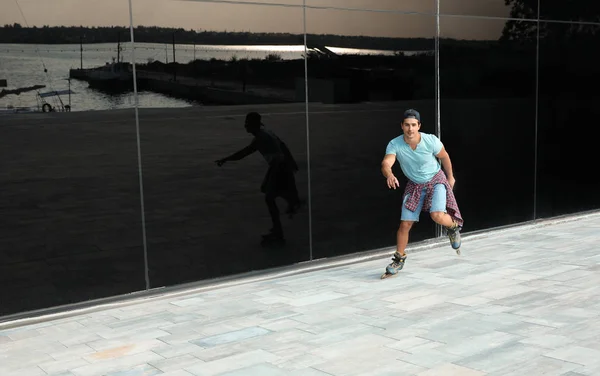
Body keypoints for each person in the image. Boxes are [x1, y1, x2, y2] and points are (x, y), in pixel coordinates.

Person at [381, 109, 463, 276]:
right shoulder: (395, 144)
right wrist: (389, 174)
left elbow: (445, 156)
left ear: (419, 126)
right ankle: (398, 260)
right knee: (405, 224)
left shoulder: (430, 140)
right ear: (402, 126)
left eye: (413, 125)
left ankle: (453, 227)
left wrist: (451, 177)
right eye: (407, 125)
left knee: (437, 215)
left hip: (436, 180)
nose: (410, 129)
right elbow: (386, 163)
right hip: (415, 185)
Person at [215, 112, 302, 243]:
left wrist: (226, 159)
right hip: (280, 165)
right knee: (268, 191)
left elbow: (244, 153)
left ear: (253, 125)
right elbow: (282, 145)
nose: (245, 126)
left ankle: (279, 231)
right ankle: (292, 202)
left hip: (279, 167)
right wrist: (292, 162)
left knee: (269, 197)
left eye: (247, 123)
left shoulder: (260, 138)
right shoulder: (267, 132)